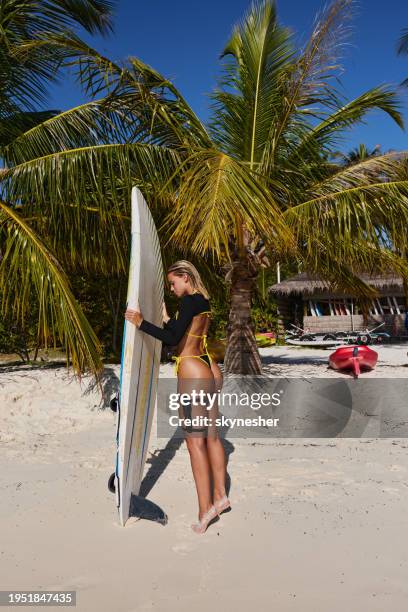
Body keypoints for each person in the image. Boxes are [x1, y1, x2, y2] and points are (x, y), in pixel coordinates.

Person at [124, 260, 230, 534]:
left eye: (173, 282)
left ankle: (205, 510)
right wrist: (168, 318)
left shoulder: (189, 302)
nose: (172, 288)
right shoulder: (203, 301)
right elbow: (186, 333)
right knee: (213, 438)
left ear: (185, 277)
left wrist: (141, 323)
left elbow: (172, 340)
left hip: (193, 368)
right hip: (209, 367)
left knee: (195, 444)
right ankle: (221, 496)